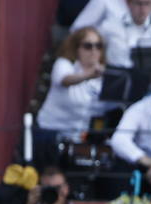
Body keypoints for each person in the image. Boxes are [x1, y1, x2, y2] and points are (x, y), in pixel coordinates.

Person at [35, 28, 109, 164]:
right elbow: (65, 80)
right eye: (88, 46)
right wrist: (89, 75)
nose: (94, 51)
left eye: (98, 46)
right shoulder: (64, 64)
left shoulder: (105, 75)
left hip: (79, 140)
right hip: (49, 134)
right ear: (77, 48)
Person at [100, 0, 151, 68]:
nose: (143, 9)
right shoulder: (110, 26)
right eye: (138, 3)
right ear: (128, 3)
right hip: (118, 73)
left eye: (147, 4)